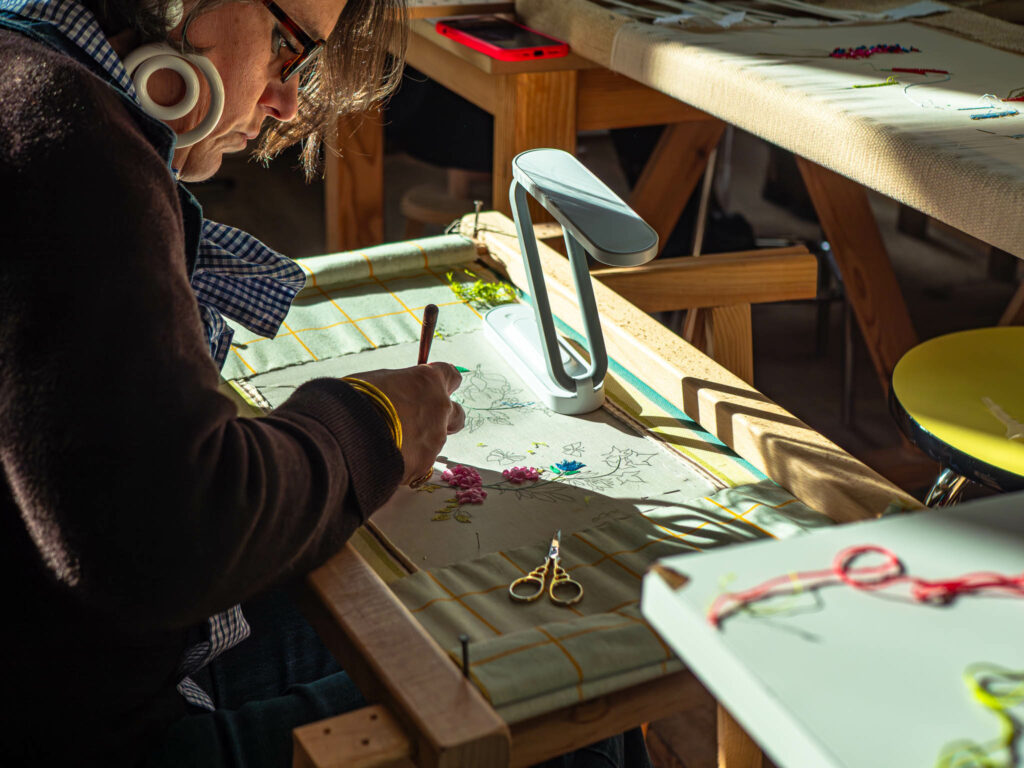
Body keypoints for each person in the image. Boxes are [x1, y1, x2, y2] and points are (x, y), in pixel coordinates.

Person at [0, 0, 651, 765]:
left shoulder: (29, 71)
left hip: (66, 665)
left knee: (436, 602)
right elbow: (176, 535)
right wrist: (368, 422)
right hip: (89, 729)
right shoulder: (63, 137)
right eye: (289, 48)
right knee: (569, 700)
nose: (285, 99)